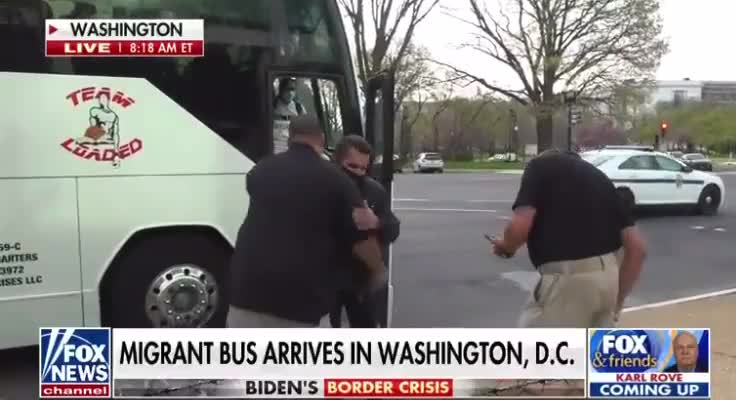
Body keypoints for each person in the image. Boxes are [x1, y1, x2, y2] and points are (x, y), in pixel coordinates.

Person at [226, 115, 386, 328]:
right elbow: (362, 239)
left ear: (290, 138)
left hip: (244, 296)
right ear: (320, 140)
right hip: (299, 303)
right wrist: (378, 271)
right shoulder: (336, 180)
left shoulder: (260, 171)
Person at [490, 149, 647, 328]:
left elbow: (520, 227)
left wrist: (505, 247)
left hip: (568, 282)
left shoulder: (540, 166)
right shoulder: (601, 179)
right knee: (590, 351)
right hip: (609, 281)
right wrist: (617, 303)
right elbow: (637, 249)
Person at [329, 135, 400, 328]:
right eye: (352, 167)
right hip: (326, 278)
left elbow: (393, 228)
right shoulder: (320, 186)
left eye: (363, 168)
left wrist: (376, 222)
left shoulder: (373, 190)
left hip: (361, 279)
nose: (359, 173)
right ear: (337, 162)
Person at [273, 77, 307, 154]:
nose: (290, 92)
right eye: (288, 89)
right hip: (276, 146)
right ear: (281, 90)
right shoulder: (272, 105)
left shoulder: (299, 108)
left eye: (293, 89)